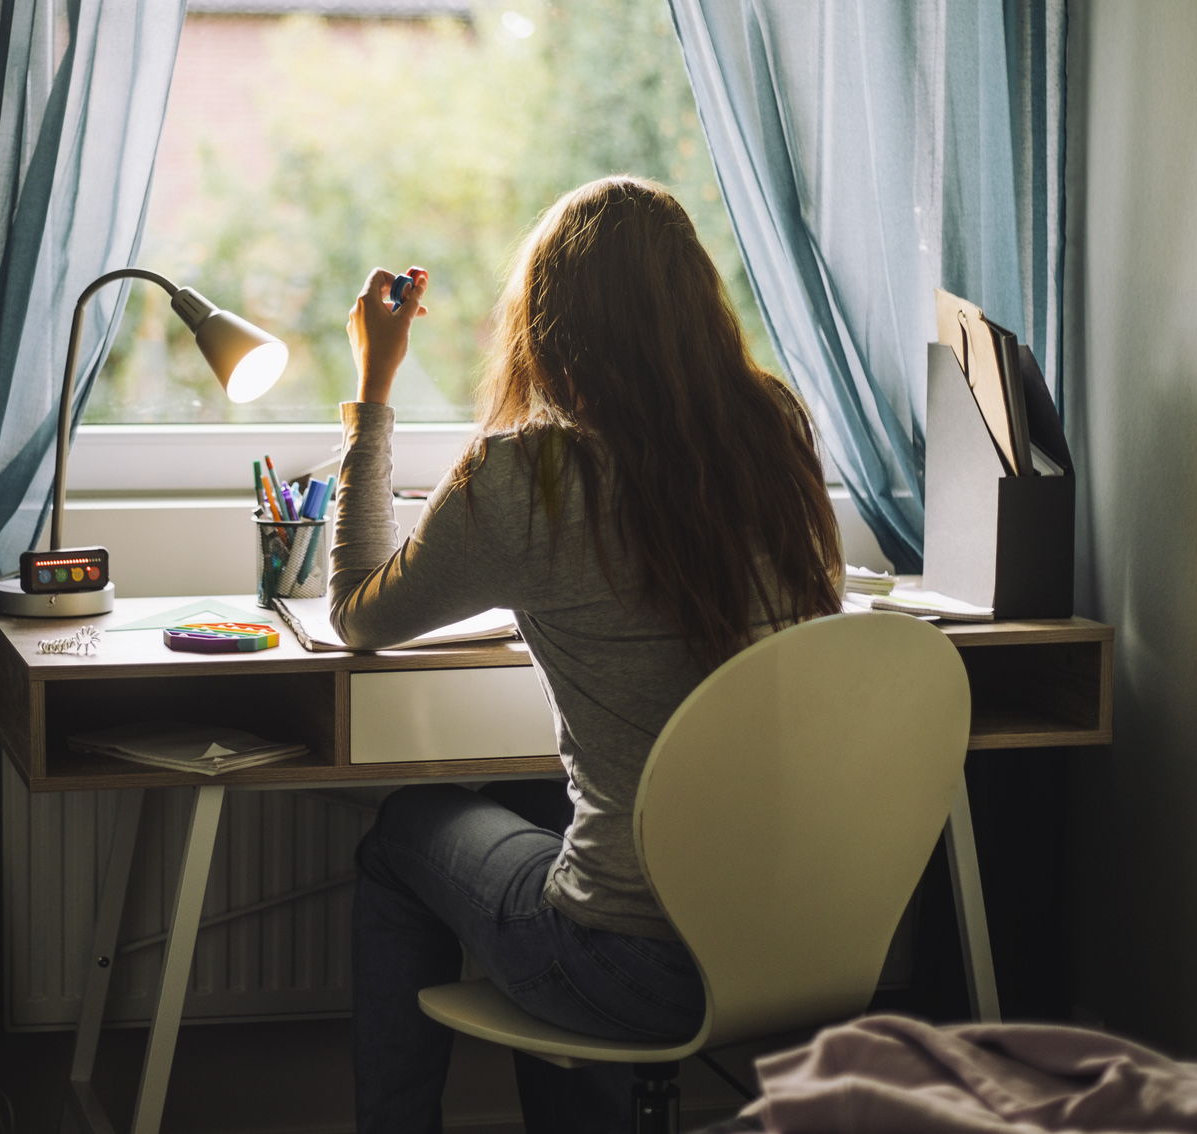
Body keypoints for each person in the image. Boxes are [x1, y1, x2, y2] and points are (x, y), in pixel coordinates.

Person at [331, 178, 844, 1134]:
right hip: (796, 942)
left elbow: (359, 614)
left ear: (549, 327)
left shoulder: (534, 476)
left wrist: (373, 393)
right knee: (533, 808)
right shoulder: (774, 433)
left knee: (405, 828)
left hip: (632, 967)